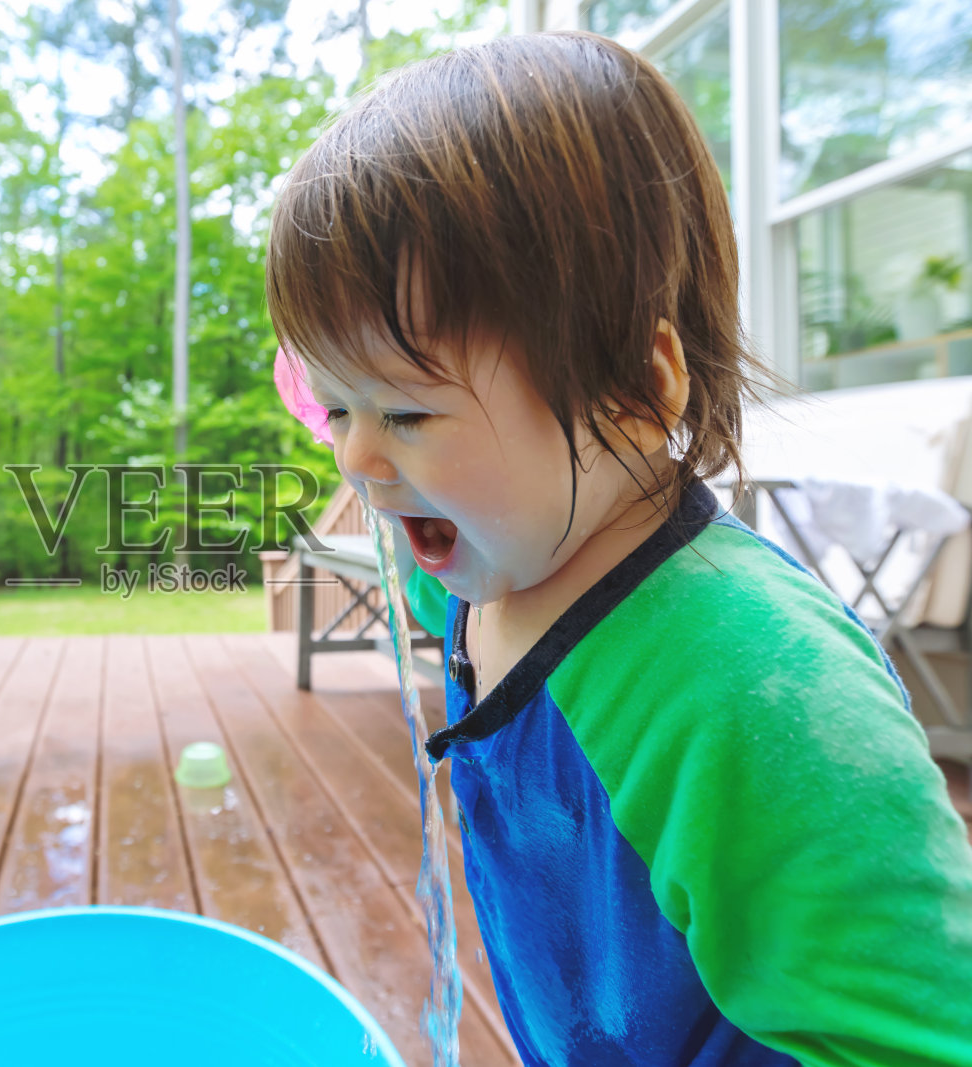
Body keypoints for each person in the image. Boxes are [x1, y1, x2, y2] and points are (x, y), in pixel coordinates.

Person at [265, 30, 972, 1067]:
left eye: (407, 411)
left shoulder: (754, 691)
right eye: (335, 409)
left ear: (635, 392)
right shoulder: (487, 574)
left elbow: (907, 1040)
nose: (358, 457)